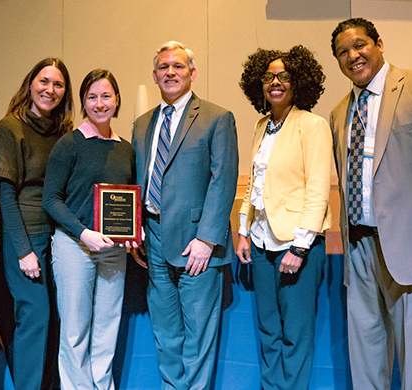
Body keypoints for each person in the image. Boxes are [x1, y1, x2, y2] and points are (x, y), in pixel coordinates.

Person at [329, 18, 412, 389]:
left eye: (359, 45)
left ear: (379, 43)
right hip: (360, 249)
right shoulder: (339, 112)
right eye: (343, 52)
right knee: (366, 359)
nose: (353, 56)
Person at [130, 41, 239, 389]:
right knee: (165, 331)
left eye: (178, 66)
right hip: (154, 240)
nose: (170, 72)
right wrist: (134, 232)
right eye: (164, 67)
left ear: (192, 73)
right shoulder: (142, 124)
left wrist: (207, 239)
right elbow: (137, 180)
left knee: (197, 336)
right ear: (154, 75)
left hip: (197, 244)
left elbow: (223, 181)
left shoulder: (216, 118)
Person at [236, 46, 332, 390]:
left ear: (298, 82)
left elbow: (318, 191)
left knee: (295, 335)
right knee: (268, 330)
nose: (275, 83)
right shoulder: (262, 125)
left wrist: (300, 247)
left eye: (284, 76)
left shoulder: (313, 125)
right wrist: (243, 231)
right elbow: (253, 185)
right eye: (268, 77)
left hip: (296, 245)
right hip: (261, 242)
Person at [42, 69, 134, 390]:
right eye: (92, 97)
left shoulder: (126, 149)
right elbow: (51, 199)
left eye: (106, 96)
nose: (99, 103)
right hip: (74, 247)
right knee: (75, 331)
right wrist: (84, 233)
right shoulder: (69, 144)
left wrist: (135, 232)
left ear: (117, 100)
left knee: (107, 329)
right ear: (83, 101)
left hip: (113, 251)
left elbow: (130, 200)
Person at [0, 58, 73, 390]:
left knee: (54, 317)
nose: (49, 90)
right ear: (30, 84)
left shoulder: (65, 132)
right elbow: (5, 195)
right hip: (24, 234)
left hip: (58, 236)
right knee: (35, 315)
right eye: (43, 81)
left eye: (57, 84)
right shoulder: (11, 126)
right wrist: (23, 250)